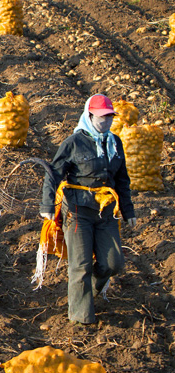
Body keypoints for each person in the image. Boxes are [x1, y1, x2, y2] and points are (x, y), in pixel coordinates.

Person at [40, 94, 136, 325]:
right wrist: (47, 205)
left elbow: (122, 179)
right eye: (102, 117)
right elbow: (53, 174)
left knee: (114, 263)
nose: (107, 121)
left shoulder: (115, 142)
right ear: (90, 115)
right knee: (80, 265)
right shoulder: (74, 143)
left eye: (110, 117)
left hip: (106, 211)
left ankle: (91, 289)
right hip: (77, 210)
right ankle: (81, 318)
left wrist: (128, 210)